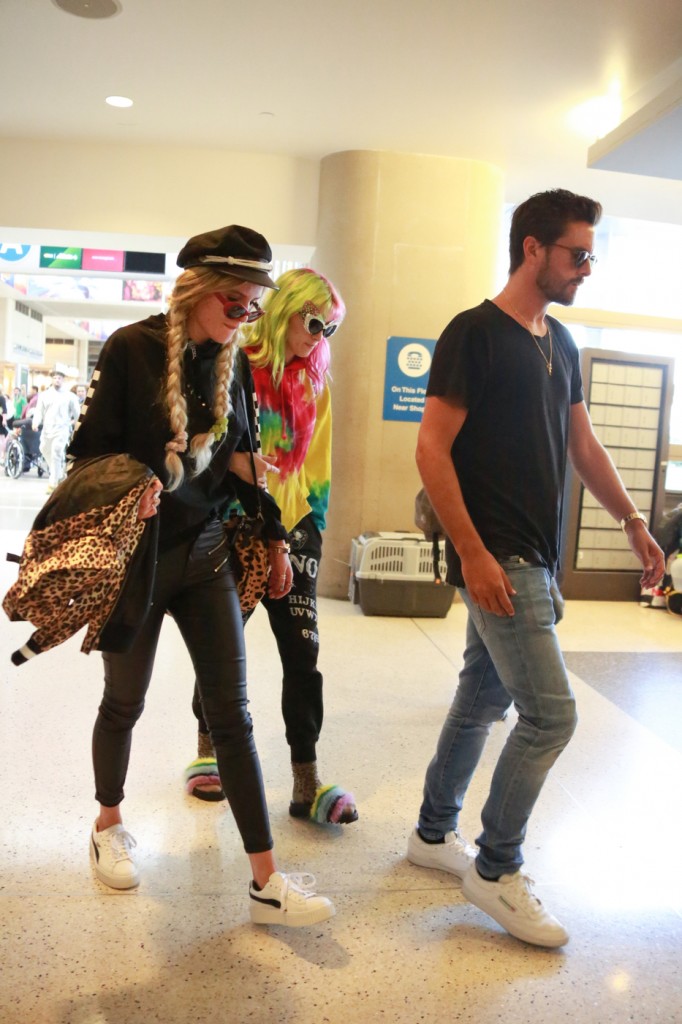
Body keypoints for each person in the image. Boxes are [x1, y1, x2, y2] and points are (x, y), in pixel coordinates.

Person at [406, 189, 665, 948]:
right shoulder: (474, 334)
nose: (587, 267)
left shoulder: (560, 341)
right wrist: (475, 555)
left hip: (537, 558)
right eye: (577, 254)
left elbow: (583, 446)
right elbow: (431, 448)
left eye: (591, 255)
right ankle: (494, 868)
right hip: (501, 558)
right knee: (552, 716)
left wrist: (632, 519)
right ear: (531, 249)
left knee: (481, 699)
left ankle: (431, 834)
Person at [67, 224, 335, 928]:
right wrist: (133, 483)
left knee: (233, 717)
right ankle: (107, 825)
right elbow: (85, 454)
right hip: (140, 563)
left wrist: (275, 537)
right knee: (125, 702)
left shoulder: (234, 361)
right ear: (195, 292)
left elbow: (242, 457)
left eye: (253, 306)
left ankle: (266, 879)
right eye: (235, 304)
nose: (245, 319)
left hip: (209, 554)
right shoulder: (132, 348)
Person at [185, 268, 358, 825]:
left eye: (329, 329)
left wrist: (312, 528)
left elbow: (317, 468)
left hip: (296, 526)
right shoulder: (234, 365)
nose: (318, 337)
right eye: (314, 323)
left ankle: (306, 781)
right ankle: (207, 748)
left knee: (302, 655)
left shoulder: (315, 385)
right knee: (222, 645)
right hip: (236, 523)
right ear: (285, 311)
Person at [32, 369, 80, 491]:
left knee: (56, 452)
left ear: (63, 380)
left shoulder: (70, 396)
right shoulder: (44, 395)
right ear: (52, 379)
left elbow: (77, 414)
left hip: (62, 429)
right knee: (43, 449)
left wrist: (78, 425)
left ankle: (52, 483)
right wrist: (35, 422)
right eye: (55, 378)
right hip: (47, 429)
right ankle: (58, 473)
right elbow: (39, 411)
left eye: (59, 378)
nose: (57, 380)